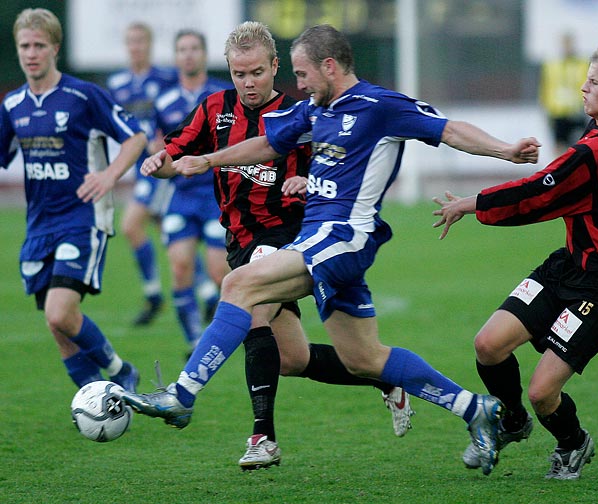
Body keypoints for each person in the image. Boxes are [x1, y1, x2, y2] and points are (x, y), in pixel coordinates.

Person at [123, 24, 540, 475]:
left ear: (329, 66)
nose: (298, 85)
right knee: (366, 359)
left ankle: (181, 397)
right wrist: (205, 159)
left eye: (302, 74)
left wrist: (506, 151)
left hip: (344, 237)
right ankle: (476, 409)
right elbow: (266, 143)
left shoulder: (381, 106)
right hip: (318, 241)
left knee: (239, 285)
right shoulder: (315, 110)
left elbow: (449, 129)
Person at [137, 21, 416, 471]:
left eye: (256, 73)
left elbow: (336, 169)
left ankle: (261, 436)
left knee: (250, 313)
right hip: (238, 241)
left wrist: (307, 180)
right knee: (293, 359)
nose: (247, 83)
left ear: (274, 66)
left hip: (290, 240)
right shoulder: (213, 109)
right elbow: (179, 152)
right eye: (238, 74)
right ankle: (384, 379)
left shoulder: (301, 113)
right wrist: (160, 163)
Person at [433, 41, 598, 480]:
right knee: (488, 345)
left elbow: (536, 194)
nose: (583, 88)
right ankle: (511, 422)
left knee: (542, 391)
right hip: (567, 264)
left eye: (594, 82)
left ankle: (573, 442)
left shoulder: (591, 154)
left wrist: (472, 203)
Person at [0, 8, 147, 392]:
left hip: (82, 217)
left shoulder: (83, 95)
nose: (31, 53)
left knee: (60, 310)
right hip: (38, 224)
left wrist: (110, 175)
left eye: (39, 45)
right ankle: (95, 399)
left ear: (55, 49)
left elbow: (136, 137)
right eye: (24, 46)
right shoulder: (13, 106)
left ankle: (119, 373)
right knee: (57, 323)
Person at [152, 30, 230, 353]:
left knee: (218, 272)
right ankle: (194, 341)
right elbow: (163, 153)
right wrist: (159, 166)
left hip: (215, 195)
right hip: (181, 197)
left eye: (194, 48)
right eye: (182, 49)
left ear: (204, 53)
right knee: (180, 267)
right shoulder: (164, 101)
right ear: (175, 56)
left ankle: (230, 331)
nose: (188, 54)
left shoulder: (222, 95)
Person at [106, 22, 177, 326]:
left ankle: (153, 295)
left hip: (163, 165)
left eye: (140, 41)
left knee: (132, 224)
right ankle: (207, 294)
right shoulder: (118, 83)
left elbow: (181, 115)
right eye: (130, 41)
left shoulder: (166, 78)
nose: (135, 46)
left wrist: (167, 140)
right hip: (139, 166)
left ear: (149, 44)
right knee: (172, 232)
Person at [539, 32, 589, 156]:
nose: (567, 47)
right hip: (558, 111)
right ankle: (562, 172)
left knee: (582, 144)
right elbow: (546, 87)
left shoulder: (582, 64)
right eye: (564, 44)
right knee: (559, 145)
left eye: (569, 44)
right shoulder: (552, 65)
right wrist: (545, 107)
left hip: (577, 110)